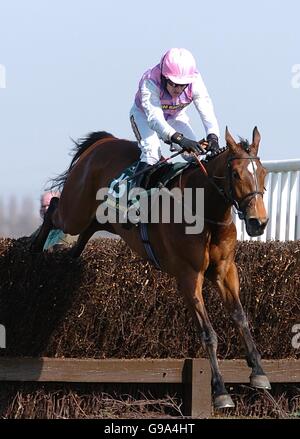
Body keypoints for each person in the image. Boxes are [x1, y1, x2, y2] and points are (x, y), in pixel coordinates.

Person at [130, 48, 220, 188]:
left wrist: (213, 136)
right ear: (164, 77)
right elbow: (154, 120)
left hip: (175, 116)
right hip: (144, 117)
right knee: (152, 152)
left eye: (182, 85)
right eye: (173, 83)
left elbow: (206, 109)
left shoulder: (195, 81)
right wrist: (180, 139)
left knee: (195, 155)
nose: (178, 89)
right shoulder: (150, 81)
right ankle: (132, 199)